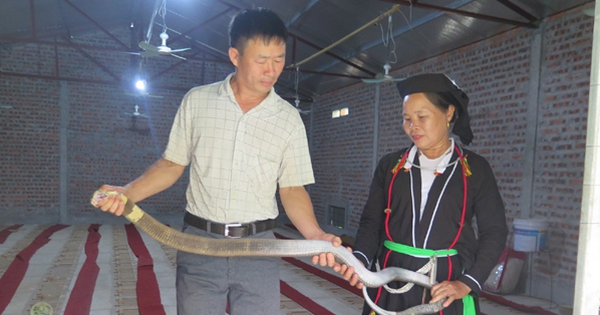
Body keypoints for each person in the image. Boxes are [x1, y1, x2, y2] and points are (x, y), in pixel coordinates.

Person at [92, 8, 343, 315]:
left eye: (279, 59)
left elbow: (292, 189)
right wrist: (128, 193)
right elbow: (171, 165)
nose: (272, 70)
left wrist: (316, 236)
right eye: (261, 59)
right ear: (235, 56)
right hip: (200, 246)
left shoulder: (289, 120)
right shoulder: (197, 102)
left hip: (258, 249)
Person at [339, 73, 508, 314]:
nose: (412, 126)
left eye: (422, 116)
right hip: (391, 280)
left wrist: (467, 282)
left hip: (444, 286)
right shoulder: (391, 166)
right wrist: (360, 260)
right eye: (406, 118)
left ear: (448, 113)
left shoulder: (474, 169)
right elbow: (371, 222)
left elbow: (495, 231)